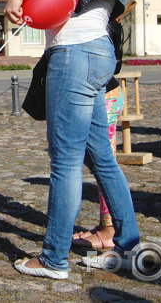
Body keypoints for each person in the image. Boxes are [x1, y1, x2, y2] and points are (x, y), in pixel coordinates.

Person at [5, 0, 140, 279]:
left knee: (64, 162)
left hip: (75, 53)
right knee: (101, 157)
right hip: (98, 53)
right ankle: (128, 246)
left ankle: (53, 258)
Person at [71, 79, 124, 250]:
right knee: (100, 168)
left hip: (102, 97)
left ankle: (110, 231)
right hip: (96, 95)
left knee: (105, 168)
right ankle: (105, 225)